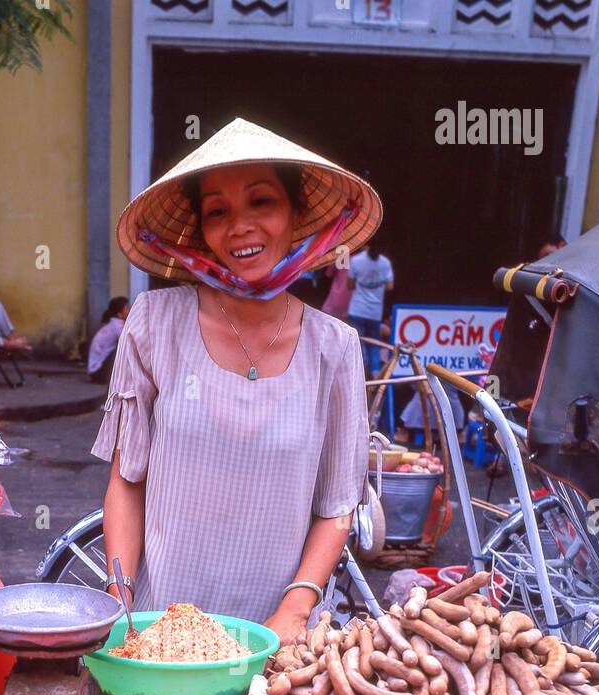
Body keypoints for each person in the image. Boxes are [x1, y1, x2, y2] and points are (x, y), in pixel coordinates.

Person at [92, 116, 382, 645]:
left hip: (277, 644)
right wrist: (120, 602)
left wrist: (295, 610)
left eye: (261, 202)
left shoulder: (334, 347)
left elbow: (338, 505)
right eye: (217, 211)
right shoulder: (155, 323)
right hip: (160, 634)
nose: (239, 226)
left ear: (295, 215)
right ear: (201, 231)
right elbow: (127, 480)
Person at [347, 243, 393, 380]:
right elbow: (390, 286)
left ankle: (360, 373)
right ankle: (374, 373)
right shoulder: (385, 263)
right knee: (374, 343)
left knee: (357, 342)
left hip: (357, 309)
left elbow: (349, 285)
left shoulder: (356, 261)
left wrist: (363, 283)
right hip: (375, 311)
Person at [88, 297, 129, 384]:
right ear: (119, 314)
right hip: (99, 371)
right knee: (125, 349)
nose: (130, 310)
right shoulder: (117, 326)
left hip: (96, 370)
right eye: (127, 308)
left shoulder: (114, 324)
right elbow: (129, 341)